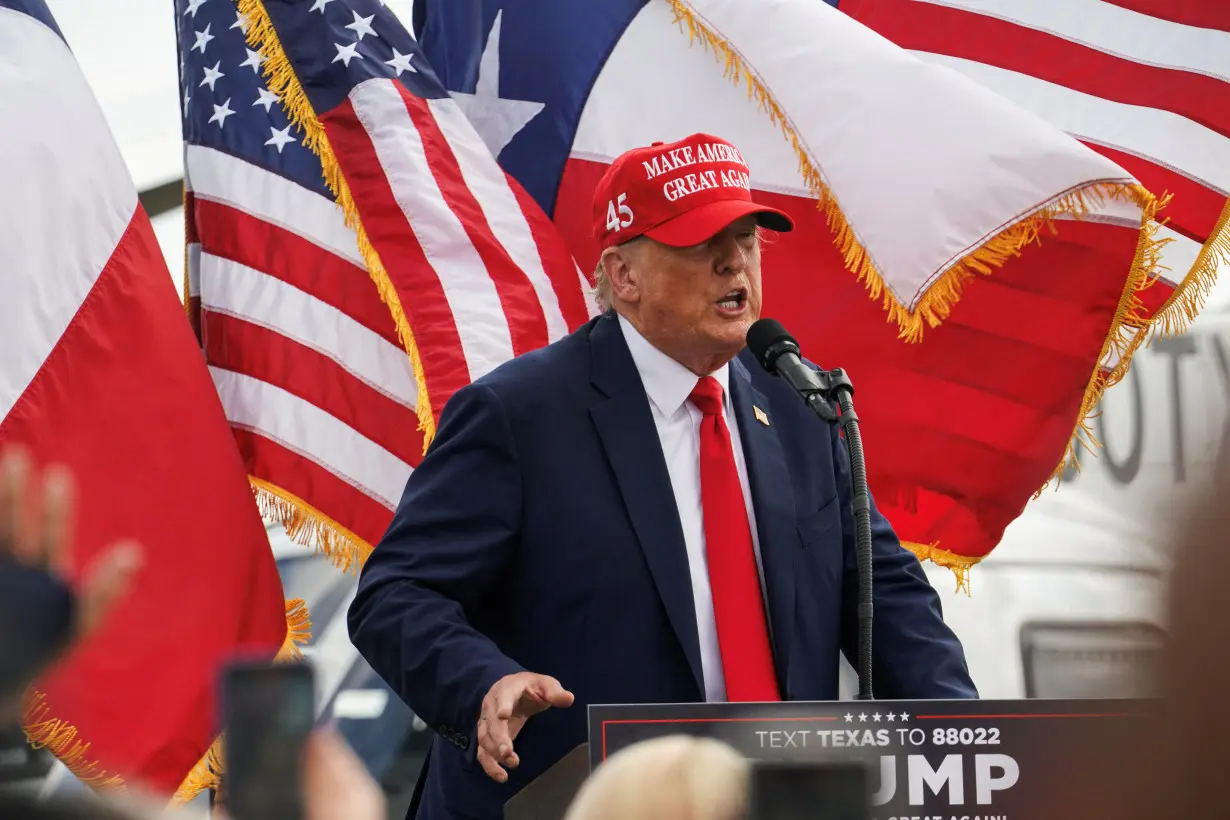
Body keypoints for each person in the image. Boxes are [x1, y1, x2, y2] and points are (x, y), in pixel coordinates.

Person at [348, 132, 977, 820]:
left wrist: (970, 741)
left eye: (746, 238)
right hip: (575, 799)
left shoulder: (802, 409)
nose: (734, 261)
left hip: (772, 798)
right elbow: (396, 594)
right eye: (701, 243)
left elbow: (891, 602)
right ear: (623, 275)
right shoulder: (520, 416)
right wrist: (482, 683)